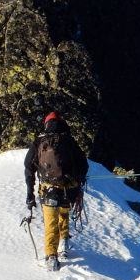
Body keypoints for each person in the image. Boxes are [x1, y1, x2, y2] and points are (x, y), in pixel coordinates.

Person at [24, 112, 89, 271]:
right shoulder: (69, 141)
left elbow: (28, 167)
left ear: (46, 124)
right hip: (70, 190)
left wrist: (30, 194)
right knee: (64, 214)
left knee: (51, 223)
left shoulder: (39, 142)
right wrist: (79, 179)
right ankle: (64, 243)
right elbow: (83, 164)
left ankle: (51, 256)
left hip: (48, 190)